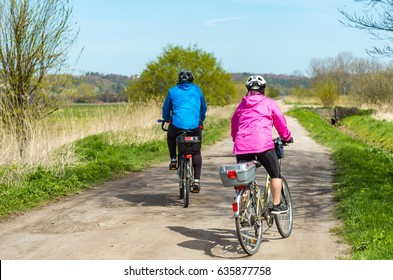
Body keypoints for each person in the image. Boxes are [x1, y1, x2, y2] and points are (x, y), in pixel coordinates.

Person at [231, 75, 293, 214]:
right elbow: (280, 122)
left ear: (248, 90)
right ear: (263, 89)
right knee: (275, 174)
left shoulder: (241, 106)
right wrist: (286, 137)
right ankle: (276, 205)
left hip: (242, 147)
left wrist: (237, 140)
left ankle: (243, 212)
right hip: (263, 146)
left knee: (244, 180)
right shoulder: (269, 103)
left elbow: (234, 126)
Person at [162, 70, 207, 193]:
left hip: (177, 125)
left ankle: (173, 159)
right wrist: (200, 119)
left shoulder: (172, 91)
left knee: (171, 135)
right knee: (196, 152)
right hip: (195, 126)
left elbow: (166, 109)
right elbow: (203, 108)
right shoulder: (197, 90)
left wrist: (167, 119)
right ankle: (196, 180)